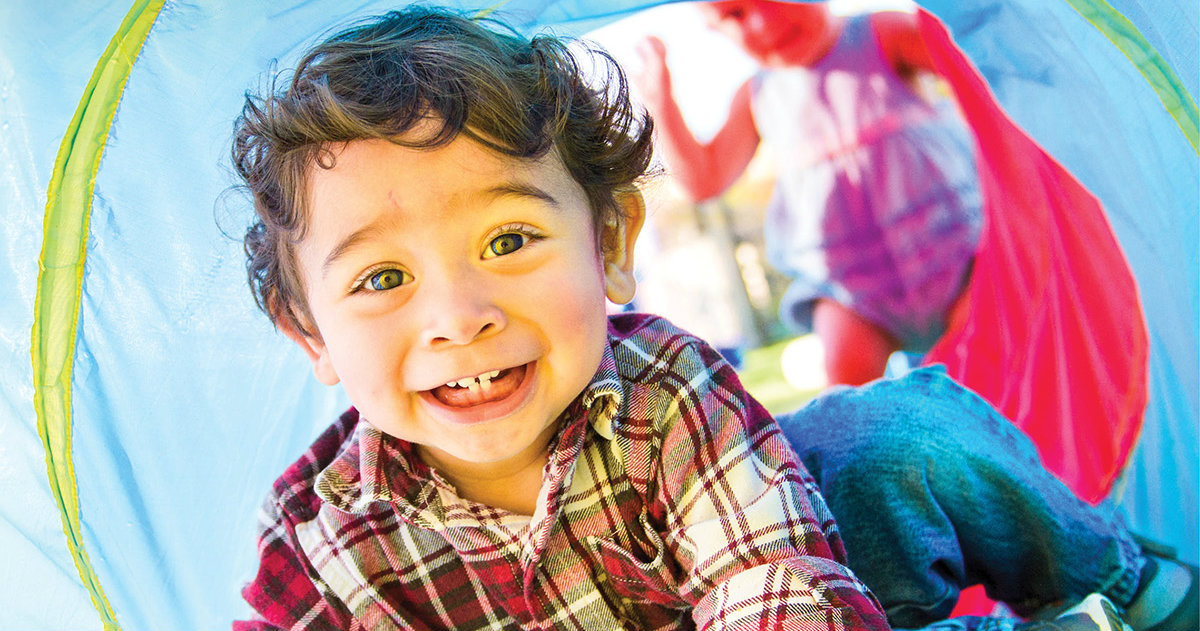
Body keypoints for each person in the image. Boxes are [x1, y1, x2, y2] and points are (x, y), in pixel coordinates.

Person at [228, 6, 1195, 630]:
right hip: (848, 273)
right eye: (382, 278)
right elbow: (708, 168)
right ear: (309, 334)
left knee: (885, 434)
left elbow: (769, 579)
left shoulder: (664, 391)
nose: (459, 315)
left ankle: (1120, 576)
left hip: (826, 563)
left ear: (610, 245)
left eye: (510, 240)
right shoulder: (327, 534)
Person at [633, 0, 982, 385]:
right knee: (849, 394)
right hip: (850, 288)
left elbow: (975, 64)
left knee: (984, 369)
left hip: (953, 253)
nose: (765, 21)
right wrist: (660, 102)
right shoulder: (758, 95)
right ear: (712, 28)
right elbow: (704, 180)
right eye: (735, 14)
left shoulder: (879, 35)